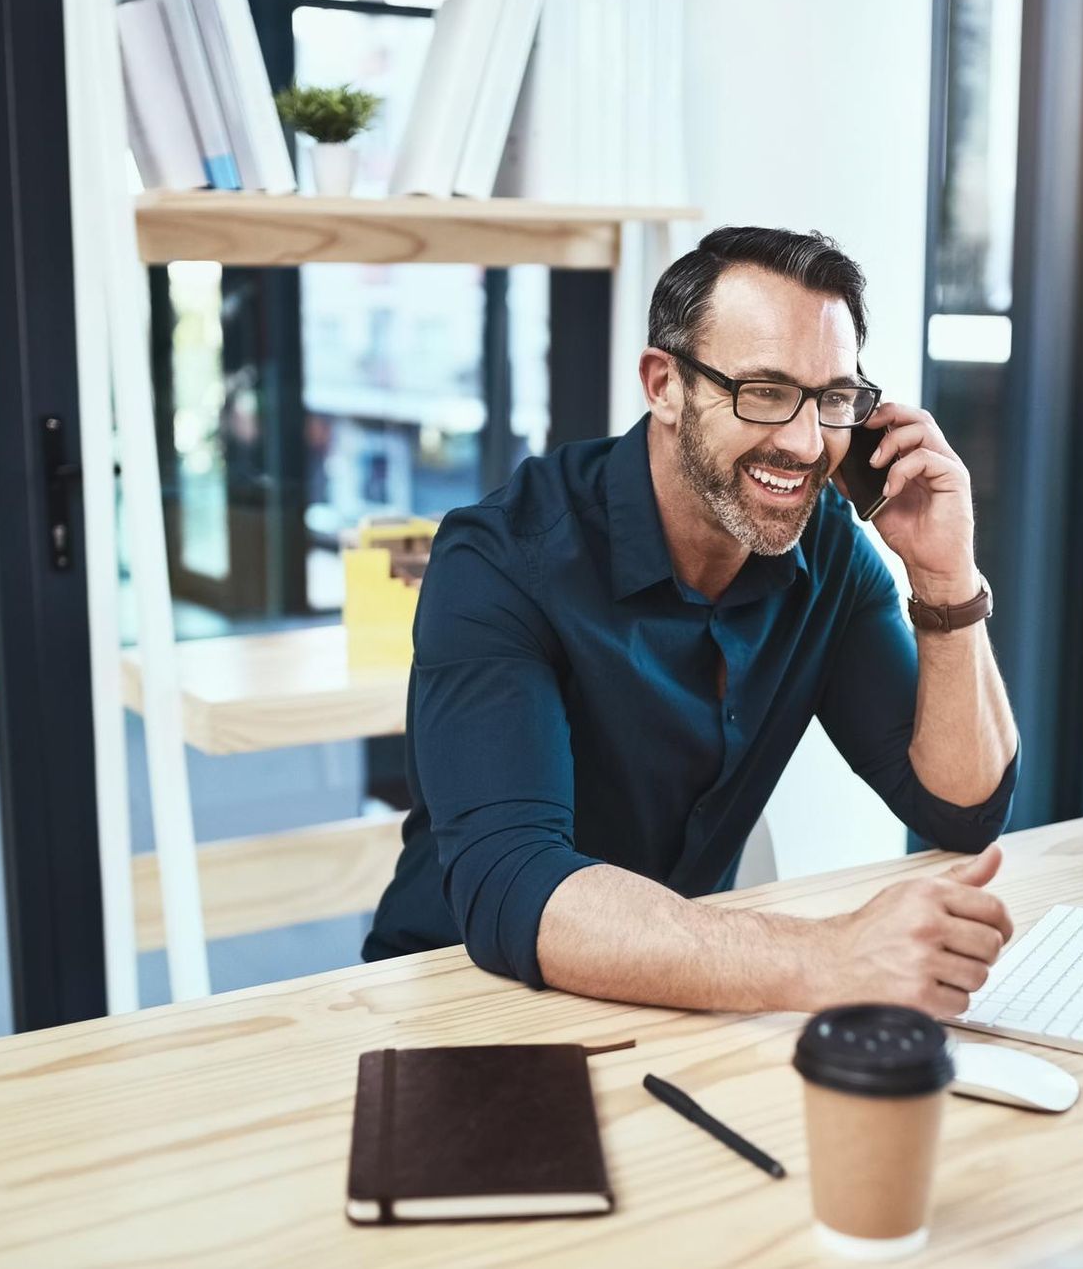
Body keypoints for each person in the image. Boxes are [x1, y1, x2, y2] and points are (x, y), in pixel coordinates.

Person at [362, 226, 1019, 1017]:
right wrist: (833, 955)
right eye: (765, 392)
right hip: (459, 1004)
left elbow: (960, 807)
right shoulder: (501, 559)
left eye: (834, 399)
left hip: (663, 1000)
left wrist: (945, 578)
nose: (808, 443)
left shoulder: (831, 549)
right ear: (664, 384)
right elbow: (516, 883)